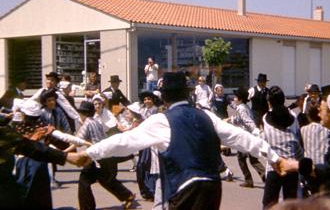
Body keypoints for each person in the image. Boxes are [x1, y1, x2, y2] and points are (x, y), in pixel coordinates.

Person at [73, 72, 287, 210]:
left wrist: (88, 154)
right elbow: (241, 138)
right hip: (212, 187)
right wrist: (275, 157)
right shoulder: (207, 116)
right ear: (187, 94)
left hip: (183, 190)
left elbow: (123, 141)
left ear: (163, 97)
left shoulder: (161, 120)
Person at [71, 101, 135, 210]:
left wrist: (64, 149)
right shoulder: (96, 122)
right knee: (105, 179)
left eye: (80, 114)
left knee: (84, 181)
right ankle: (127, 195)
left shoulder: (87, 123)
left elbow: (77, 141)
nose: (79, 116)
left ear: (84, 114)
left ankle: (87, 207)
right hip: (104, 154)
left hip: (96, 156)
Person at [262, 86, 304, 209]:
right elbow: (297, 140)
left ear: (269, 102)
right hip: (291, 165)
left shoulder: (265, 119)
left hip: (274, 166)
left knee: (269, 203)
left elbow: (265, 142)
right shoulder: (293, 117)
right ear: (283, 99)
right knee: (290, 204)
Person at [224, 87, 265, 188]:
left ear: (240, 99)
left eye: (236, 97)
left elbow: (247, 121)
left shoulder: (241, 108)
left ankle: (249, 180)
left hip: (245, 137)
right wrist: (229, 120)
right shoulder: (244, 107)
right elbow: (239, 119)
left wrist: (255, 130)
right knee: (253, 160)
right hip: (248, 136)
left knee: (241, 159)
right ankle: (265, 177)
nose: (234, 99)